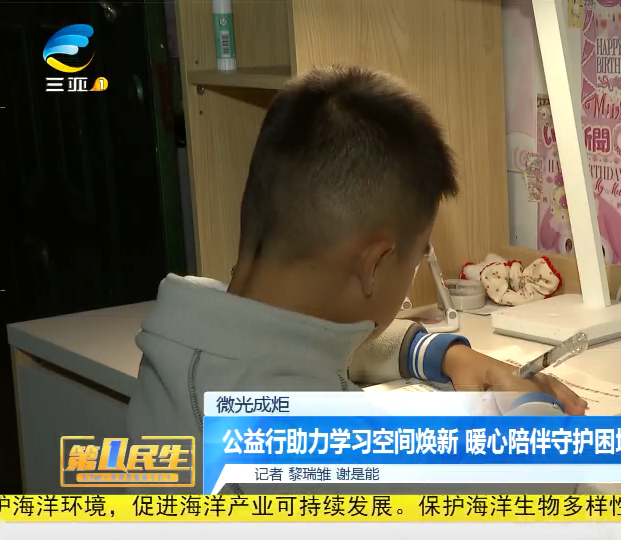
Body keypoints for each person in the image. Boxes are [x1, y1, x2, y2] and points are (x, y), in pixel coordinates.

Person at [127, 66, 586, 493]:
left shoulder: (192, 337)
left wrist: (444, 355)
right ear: (374, 265)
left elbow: (313, 342)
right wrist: (537, 420)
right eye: (417, 257)